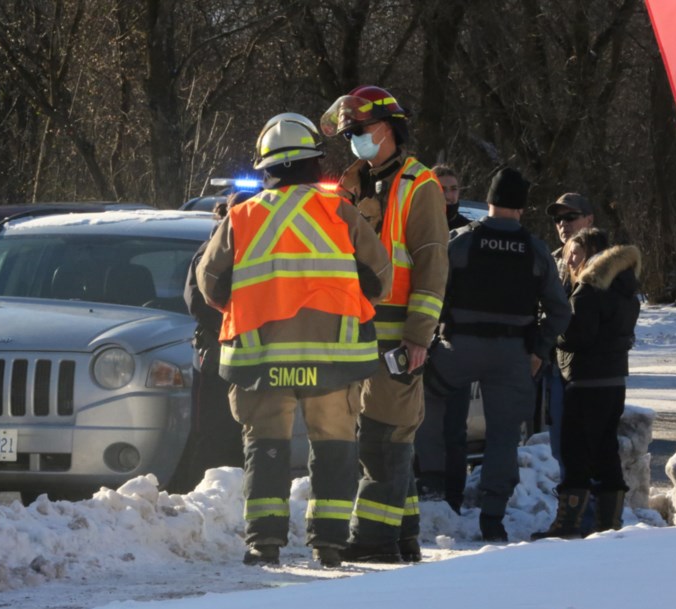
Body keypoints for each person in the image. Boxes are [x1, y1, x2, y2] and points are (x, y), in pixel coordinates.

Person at [197, 112, 391, 568]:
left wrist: (242, 306)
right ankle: (328, 544)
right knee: (334, 446)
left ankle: (263, 543)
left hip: (263, 358)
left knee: (265, 446)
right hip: (335, 357)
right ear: (314, 163)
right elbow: (380, 276)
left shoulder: (241, 216)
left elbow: (209, 282)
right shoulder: (339, 210)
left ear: (266, 167)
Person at [320, 85, 449, 563]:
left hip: (396, 330)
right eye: (350, 134)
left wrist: (419, 336)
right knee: (385, 431)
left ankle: (374, 539)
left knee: (385, 432)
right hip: (359, 326)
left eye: (361, 132)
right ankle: (403, 533)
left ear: (390, 129)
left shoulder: (420, 185)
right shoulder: (353, 184)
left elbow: (432, 264)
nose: (356, 141)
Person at [417, 167, 570, 542]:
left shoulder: (462, 242)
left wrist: (428, 339)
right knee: (503, 434)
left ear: (489, 202)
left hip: (458, 348)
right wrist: (539, 350)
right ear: (521, 207)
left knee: (429, 402)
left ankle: (434, 487)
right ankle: (493, 517)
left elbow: (432, 291)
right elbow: (560, 311)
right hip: (512, 354)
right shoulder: (535, 250)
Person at [532, 228, 641, 539]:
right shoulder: (624, 287)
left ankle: (567, 524)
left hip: (586, 380)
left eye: (574, 255)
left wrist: (553, 331)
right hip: (613, 380)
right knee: (606, 449)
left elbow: (579, 335)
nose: (569, 261)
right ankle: (610, 523)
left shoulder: (588, 290)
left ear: (593, 254)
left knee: (575, 451)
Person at [171, 191, 256, 493]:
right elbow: (198, 300)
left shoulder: (258, 249)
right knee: (215, 432)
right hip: (220, 354)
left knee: (245, 433)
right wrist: (234, 325)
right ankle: (207, 496)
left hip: (251, 354)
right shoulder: (211, 251)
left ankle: (234, 495)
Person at [414, 163, 473, 514]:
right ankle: (426, 483)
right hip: (421, 333)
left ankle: (453, 492)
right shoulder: (418, 225)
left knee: (455, 422)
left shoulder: (468, 231)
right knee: (422, 422)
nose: (449, 196)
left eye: (453, 189)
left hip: (456, 339)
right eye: (442, 189)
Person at [540, 193, 597, 468]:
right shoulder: (551, 260)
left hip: (591, 371)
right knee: (559, 445)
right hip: (554, 367)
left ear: (589, 219)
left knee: (590, 446)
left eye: (570, 217)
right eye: (558, 219)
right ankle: (569, 506)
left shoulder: (608, 262)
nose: (563, 224)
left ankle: (596, 510)